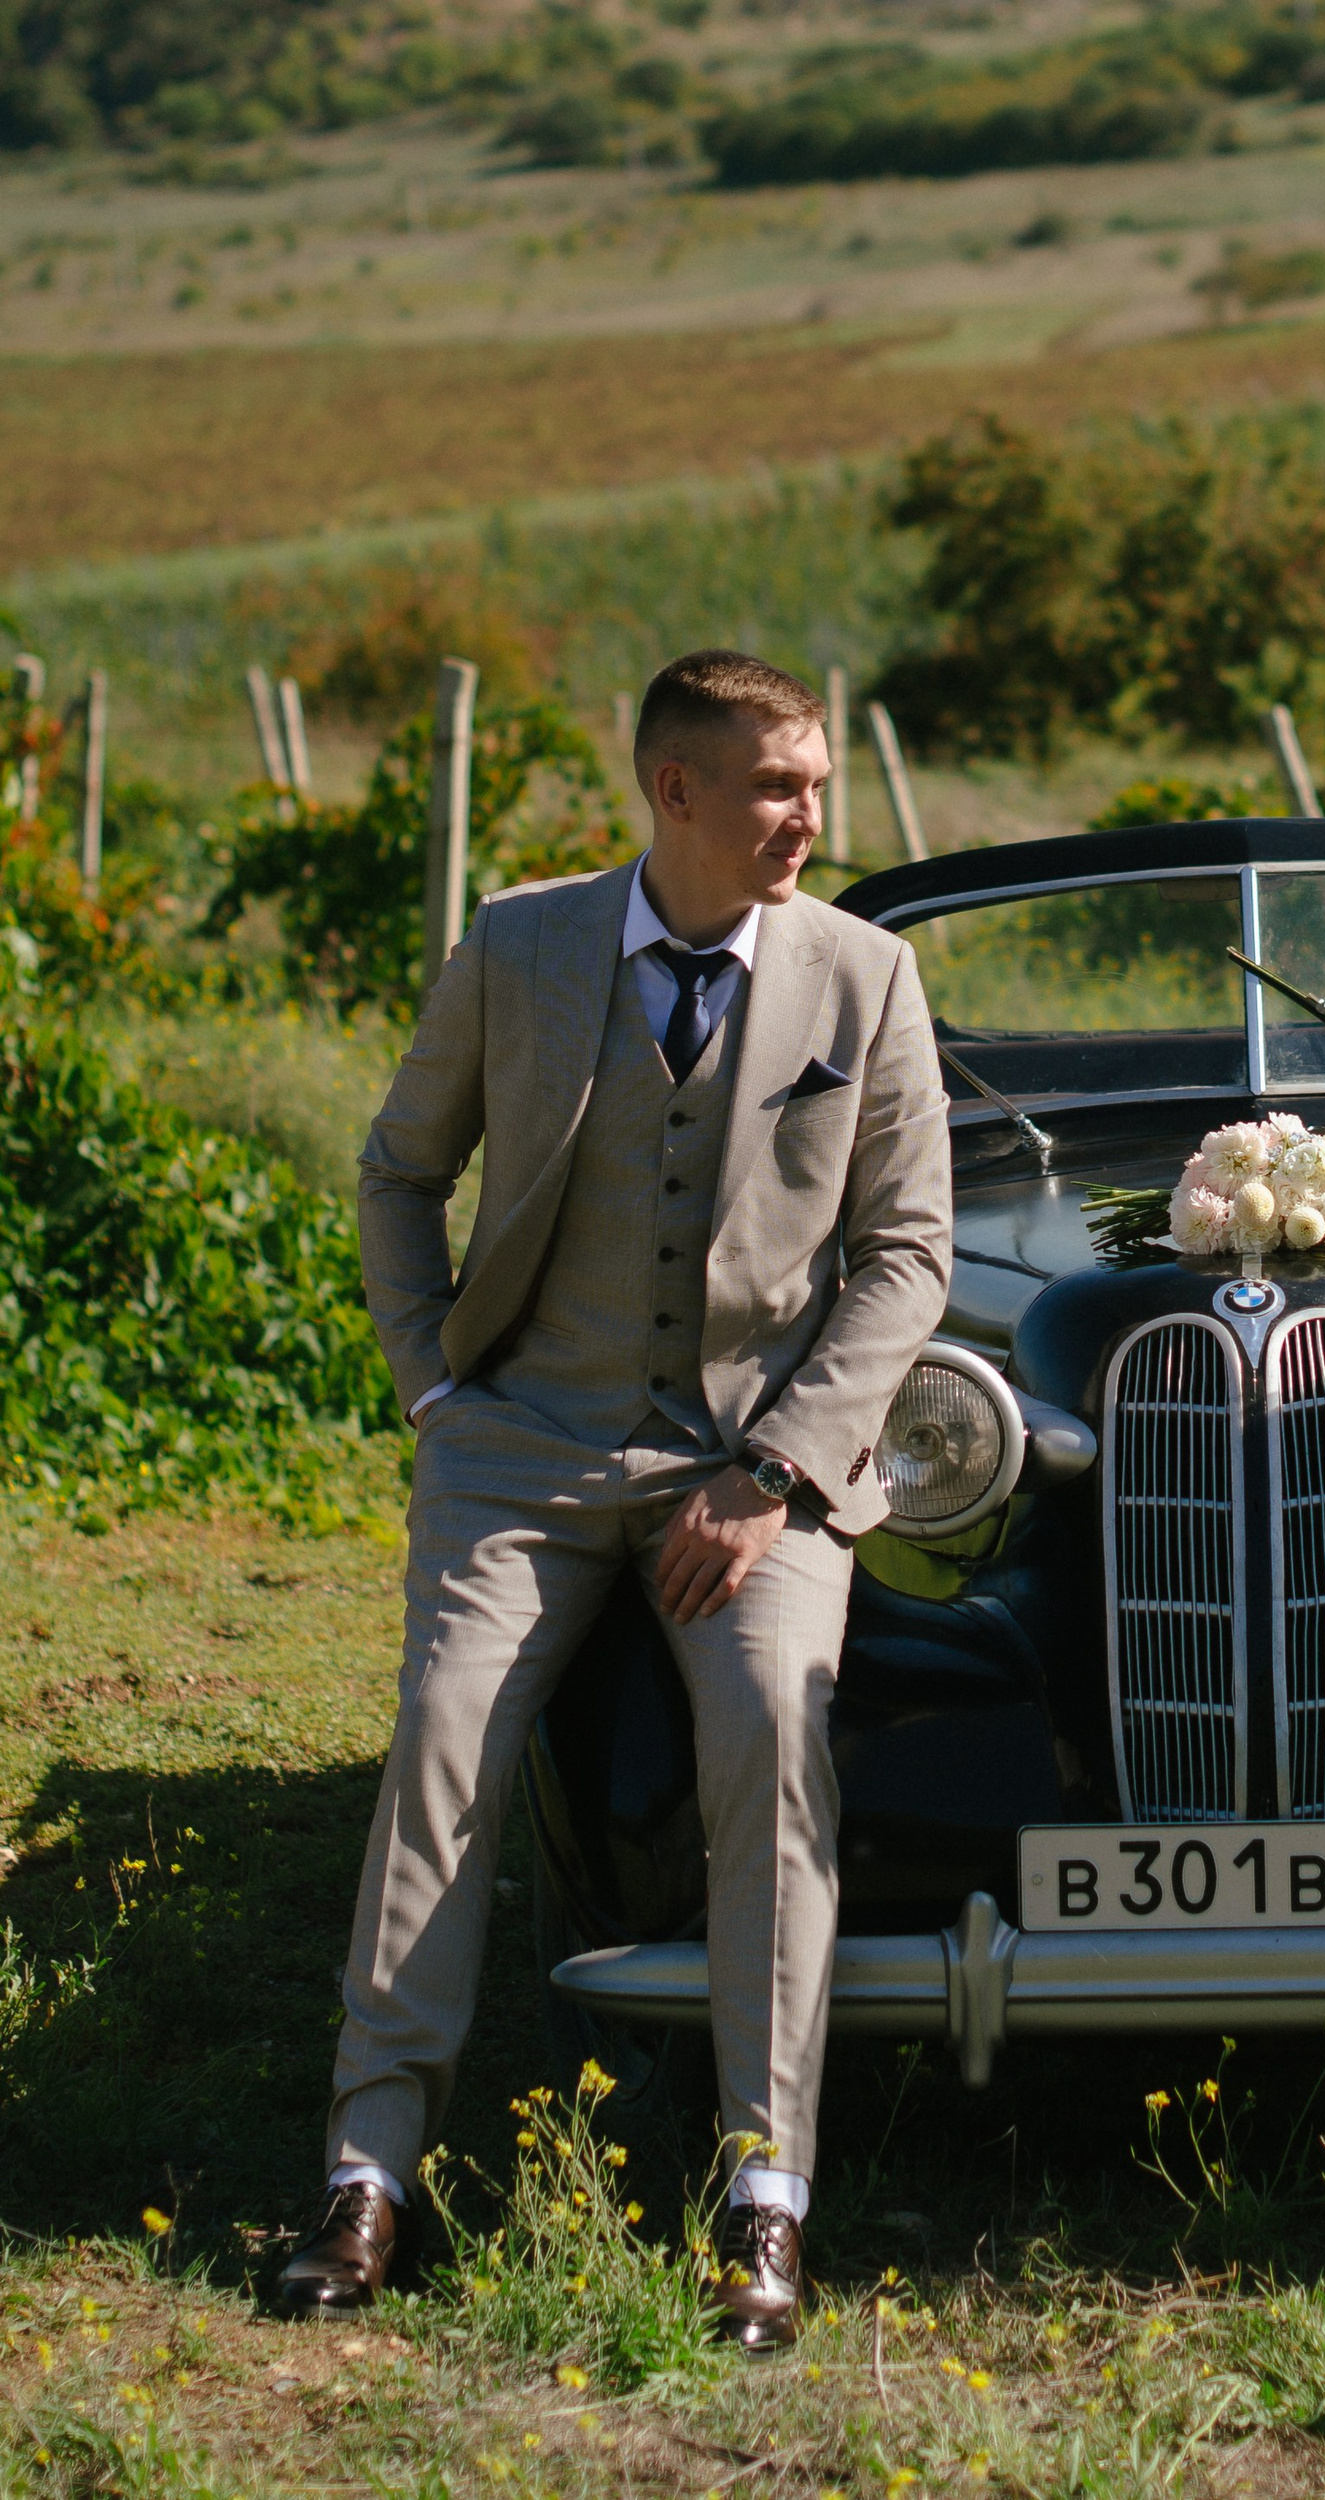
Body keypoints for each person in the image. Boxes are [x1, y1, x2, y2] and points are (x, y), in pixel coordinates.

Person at [275, 651, 952, 2350]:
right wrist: (434, 1383)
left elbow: (908, 1257)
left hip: (753, 1465)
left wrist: (779, 1468)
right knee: (442, 1749)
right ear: (674, 792)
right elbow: (398, 1167)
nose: (813, 814)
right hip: (521, 1444)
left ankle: (767, 2198)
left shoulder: (866, 977)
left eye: (815, 781)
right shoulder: (520, 944)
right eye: (779, 786)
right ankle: (368, 2178)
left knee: (771, 1761)